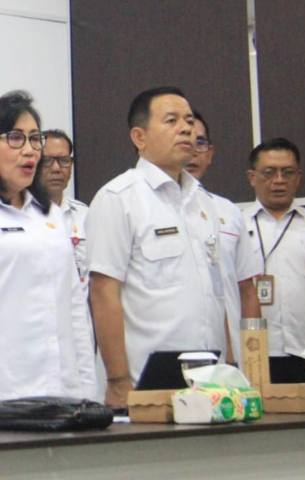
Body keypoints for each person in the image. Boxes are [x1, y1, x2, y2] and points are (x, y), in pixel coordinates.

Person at [0, 94, 95, 407]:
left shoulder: (50, 214)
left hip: (63, 392)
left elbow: (74, 309)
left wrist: (88, 392)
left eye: (35, 139)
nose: (29, 150)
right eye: (15, 138)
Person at [87, 87, 227, 410]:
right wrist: (118, 381)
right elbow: (103, 292)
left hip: (211, 381)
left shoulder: (203, 201)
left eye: (189, 121)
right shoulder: (118, 198)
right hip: (146, 384)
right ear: (139, 137)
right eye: (172, 120)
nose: (186, 129)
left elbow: (216, 293)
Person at [243, 138, 305, 384]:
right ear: (252, 177)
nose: (279, 180)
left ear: (298, 178)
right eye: (269, 172)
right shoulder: (234, 227)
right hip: (252, 352)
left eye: (287, 173)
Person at [183, 112, 260, 361]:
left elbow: (247, 290)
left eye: (200, 143)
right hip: (171, 354)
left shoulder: (229, 211)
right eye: (186, 141)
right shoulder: (143, 206)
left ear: (210, 154)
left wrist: (254, 358)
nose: (193, 151)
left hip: (231, 358)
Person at [41, 128, 89, 287]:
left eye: (64, 160)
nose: (56, 168)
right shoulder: (22, 214)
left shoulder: (85, 215)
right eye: (47, 160)